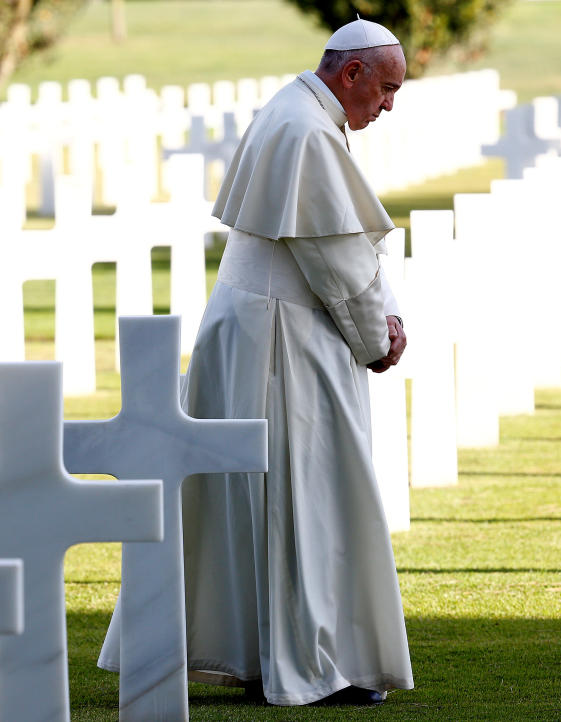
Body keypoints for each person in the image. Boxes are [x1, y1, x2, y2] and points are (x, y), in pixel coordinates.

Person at [177, 17, 415, 706]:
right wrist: (378, 337)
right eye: (387, 89)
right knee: (303, 497)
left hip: (264, 324)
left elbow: (344, 237)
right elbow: (336, 258)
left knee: (265, 498)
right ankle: (312, 660)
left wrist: (385, 312)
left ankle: (263, 651)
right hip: (281, 337)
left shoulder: (297, 111)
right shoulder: (307, 129)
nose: (389, 105)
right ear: (352, 75)